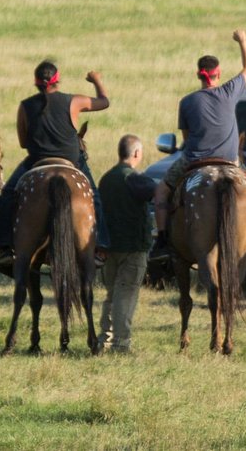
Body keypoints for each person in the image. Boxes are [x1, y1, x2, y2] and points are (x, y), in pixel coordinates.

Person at [0, 59, 111, 261]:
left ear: (36, 82)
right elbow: (104, 102)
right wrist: (96, 80)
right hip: (73, 161)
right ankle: (101, 244)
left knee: (8, 195)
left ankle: (4, 246)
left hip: (36, 161)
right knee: (95, 196)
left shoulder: (26, 106)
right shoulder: (73, 101)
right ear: (57, 80)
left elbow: (22, 142)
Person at [155, 30, 246, 237]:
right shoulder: (229, 91)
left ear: (198, 74)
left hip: (195, 160)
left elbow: (186, 138)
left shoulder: (187, 102)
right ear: (218, 74)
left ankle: (162, 238)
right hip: (230, 160)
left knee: (162, 191)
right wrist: (242, 41)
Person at [95, 134, 158, 353]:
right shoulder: (134, 178)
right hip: (132, 248)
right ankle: (121, 344)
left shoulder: (105, 178)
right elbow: (157, 192)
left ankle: (105, 339)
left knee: (112, 295)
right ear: (137, 153)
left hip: (108, 247)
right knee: (126, 295)